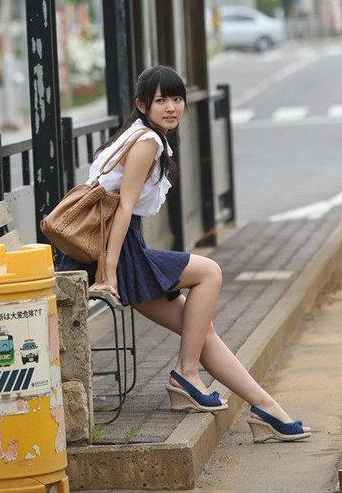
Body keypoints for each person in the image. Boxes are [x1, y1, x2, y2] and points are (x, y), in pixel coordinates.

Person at [57, 64, 311, 443]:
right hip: (119, 249)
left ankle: (267, 410)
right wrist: (108, 272)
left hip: (119, 247)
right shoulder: (147, 142)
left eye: (177, 99)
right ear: (143, 104)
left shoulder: (139, 136)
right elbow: (123, 207)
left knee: (201, 329)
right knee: (209, 273)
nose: (171, 107)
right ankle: (185, 374)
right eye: (161, 100)